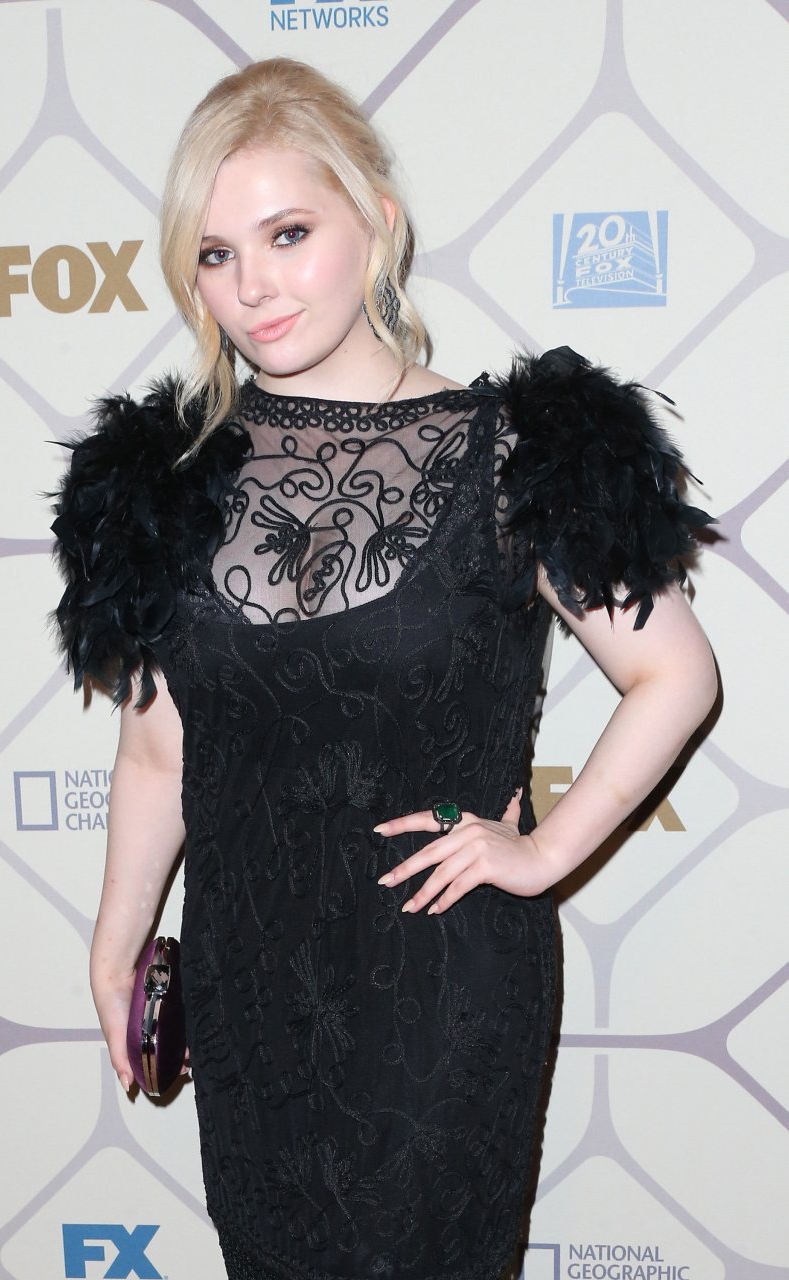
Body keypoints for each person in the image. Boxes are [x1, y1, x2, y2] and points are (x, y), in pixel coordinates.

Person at [51, 57, 717, 1280]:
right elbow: (156, 746)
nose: (252, 285)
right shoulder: (160, 482)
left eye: (288, 233)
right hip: (249, 984)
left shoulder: (515, 453)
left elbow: (676, 673)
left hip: (440, 985)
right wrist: (116, 939)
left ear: (377, 222)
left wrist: (545, 851)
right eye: (215, 253)